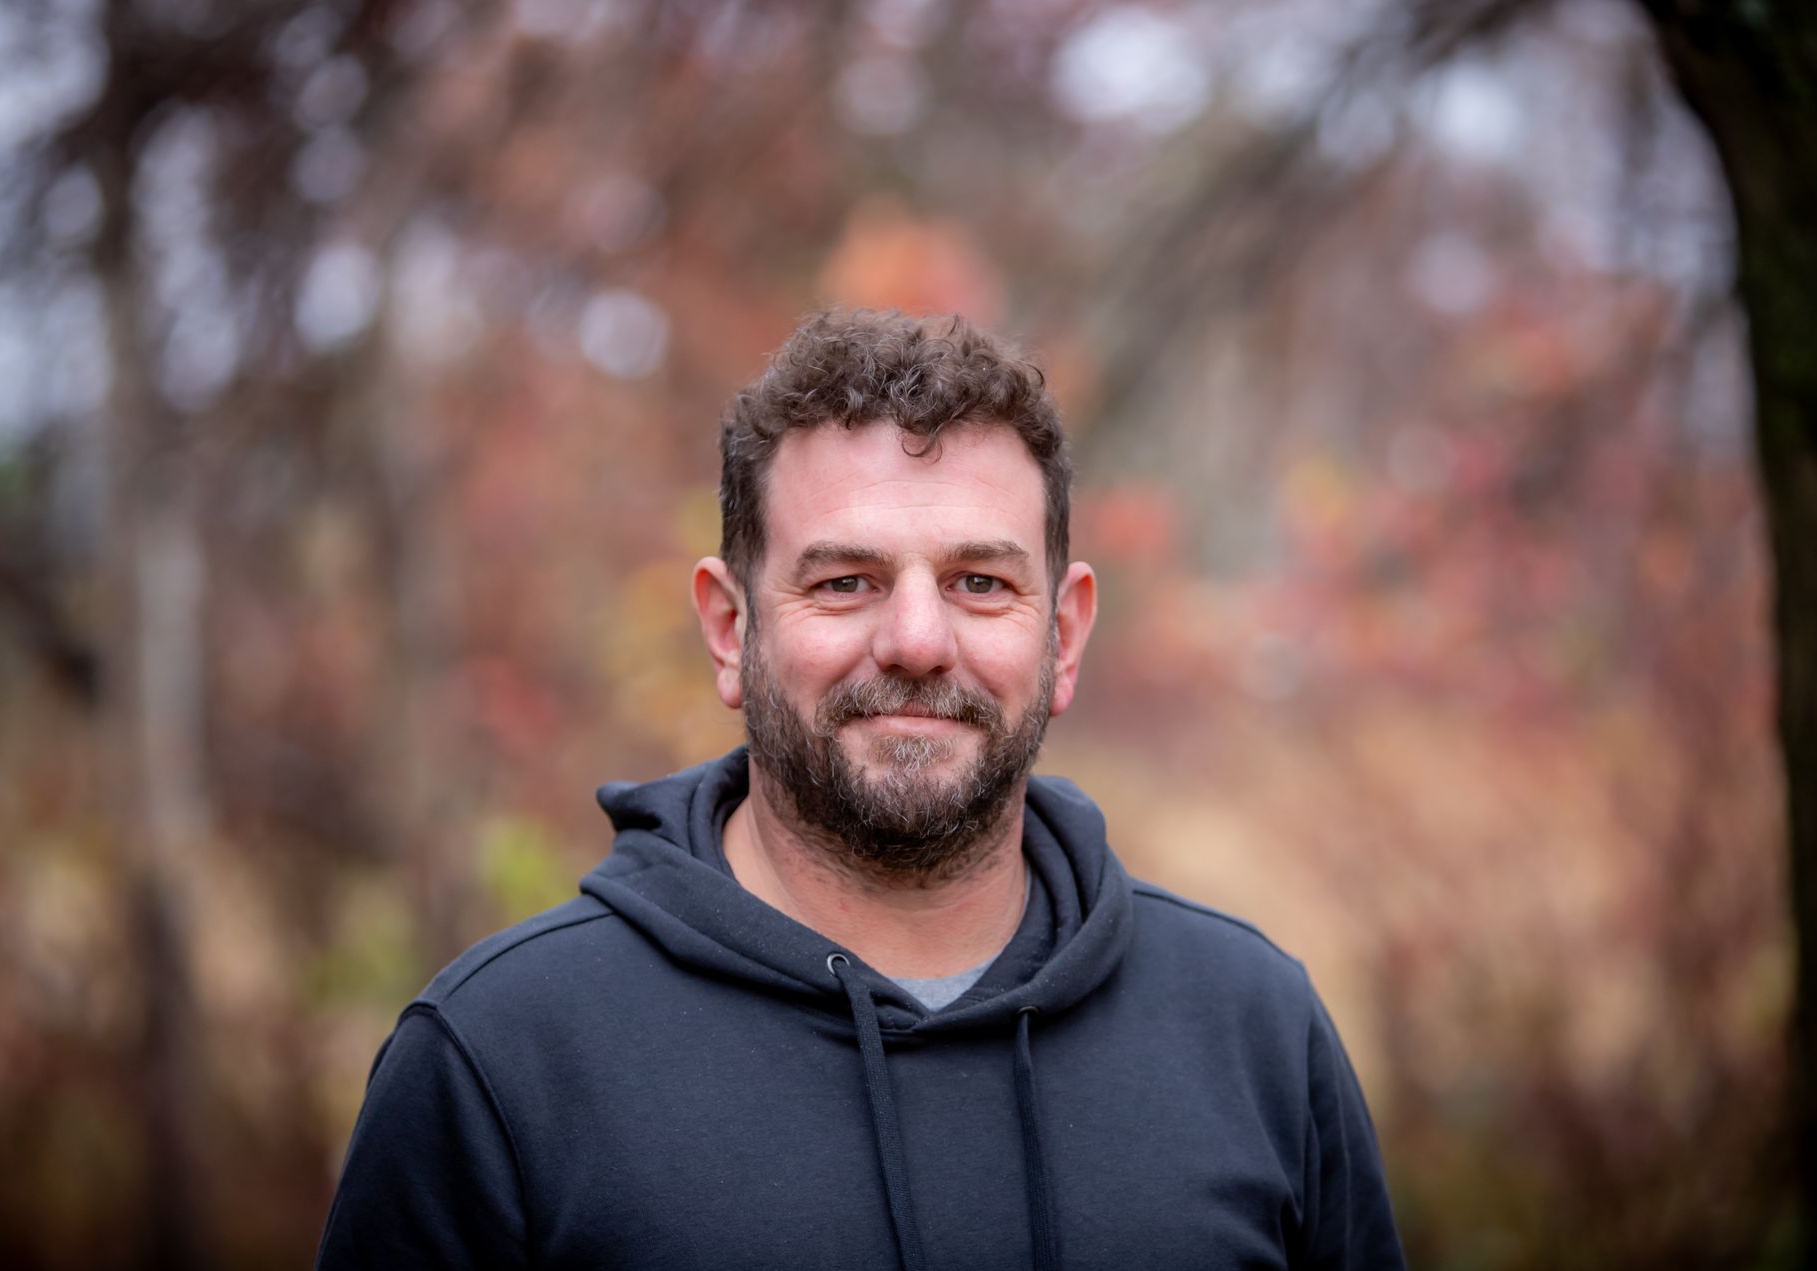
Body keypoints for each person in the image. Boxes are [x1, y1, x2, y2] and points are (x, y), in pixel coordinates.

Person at [316, 309, 1406, 1270]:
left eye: (981, 582)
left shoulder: (1254, 1029)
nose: (918, 640)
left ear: (1064, 633)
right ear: (731, 626)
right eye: (847, 582)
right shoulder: (500, 1063)